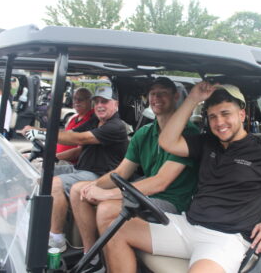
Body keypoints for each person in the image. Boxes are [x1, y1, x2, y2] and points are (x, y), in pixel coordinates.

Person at [105, 82, 261, 273]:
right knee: (116, 232)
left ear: (241, 115)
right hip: (189, 225)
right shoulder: (206, 143)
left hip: (225, 239)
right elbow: (167, 141)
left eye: (225, 114)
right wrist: (193, 98)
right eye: (212, 116)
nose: (219, 122)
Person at [70, 77, 199, 272]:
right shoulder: (144, 133)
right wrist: (94, 187)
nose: (156, 98)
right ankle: (92, 259)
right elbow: (121, 172)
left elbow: (160, 182)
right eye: (153, 93)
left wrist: (109, 194)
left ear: (175, 96)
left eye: (162, 93)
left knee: (106, 208)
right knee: (78, 190)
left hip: (172, 202)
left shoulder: (189, 134)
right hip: (146, 196)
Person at [27, 85, 128, 252]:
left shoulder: (115, 126)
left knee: (54, 184)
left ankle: (57, 238)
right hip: (80, 169)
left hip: (101, 176)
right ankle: (38, 224)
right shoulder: (96, 120)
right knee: (38, 174)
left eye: (105, 101)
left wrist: (42, 134)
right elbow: (72, 134)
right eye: (97, 102)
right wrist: (42, 136)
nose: (100, 105)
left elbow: (80, 138)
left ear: (115, 104)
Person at [20, 87, 94, 164]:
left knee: (36, 167)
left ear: (90, 100)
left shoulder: (92, 120)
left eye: (81, 99)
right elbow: (63, 134)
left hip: (69, 162)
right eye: (75, 98)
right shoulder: (74, 118)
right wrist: (37, 130)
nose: (77, 101)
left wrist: (52, 157)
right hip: (55, 156)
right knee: (22, 157)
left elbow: (78, 152)